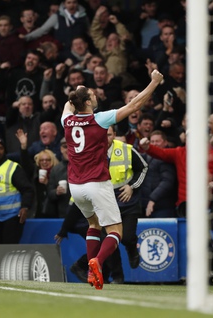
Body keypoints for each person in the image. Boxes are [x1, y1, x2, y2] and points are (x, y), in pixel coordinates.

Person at [62, 69, 164, 290]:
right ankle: (97, 262)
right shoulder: (99, 119)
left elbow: (69, 104)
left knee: (93, 224)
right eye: (91, 93)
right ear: (88, 102)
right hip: (96, 183)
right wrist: (154, 82)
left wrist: (77, 93)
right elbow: (134, 105)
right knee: (116, 231)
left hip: (75, 186)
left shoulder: (66, 119)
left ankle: (91, 271)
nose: (96, 94)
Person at [139, 132, 213, 218]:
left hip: (205, 205)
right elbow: (162, 153)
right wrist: (148, 147)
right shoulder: (179, 152)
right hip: (184, 206)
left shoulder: (210, 153)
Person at [104, 125, 148, 283]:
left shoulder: (126, 149)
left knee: (127, 237)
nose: (105, 138)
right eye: (102, 134)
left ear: (114, 134)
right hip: (106, 201)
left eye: (109, 135)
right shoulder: (92, 151)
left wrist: (132, 186)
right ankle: (117, 277)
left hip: (127, 199)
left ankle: (132, 250)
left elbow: (143, 168)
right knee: (110, 242)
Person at [0, 138, 35, 244]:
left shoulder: (13, 167)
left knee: (9, 247)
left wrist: (25, 207)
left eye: (1, 148)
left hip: (12, 216)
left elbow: (27, 189)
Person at [139, 130, 177, 218]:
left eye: (157, 141)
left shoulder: (168, 157)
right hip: (147, 205)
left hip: (163, 207)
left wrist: (153, 199)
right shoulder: (146, 157)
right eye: (152, 141)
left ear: (165, 142)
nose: (154, 144)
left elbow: (167, 182)